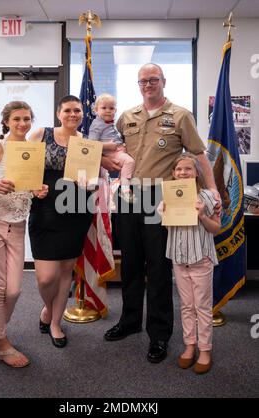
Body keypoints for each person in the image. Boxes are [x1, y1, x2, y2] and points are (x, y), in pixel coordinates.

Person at [102, 63, 219, 364]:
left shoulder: (180, 115)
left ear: (163, 82)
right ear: (138, 84)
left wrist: (214, 189)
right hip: (129, 197)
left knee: (157, 266)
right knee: (129, 261)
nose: (148, 84)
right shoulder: (128, 117)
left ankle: (159, 334)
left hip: (162, 197)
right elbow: (115, 152)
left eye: (153, 79)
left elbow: (199, 155)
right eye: (143, 81)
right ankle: (129, 322)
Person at [0, 101, 48, 368]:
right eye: (16, 119)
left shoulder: (34, 151)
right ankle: (1, 343)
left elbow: (30, 187)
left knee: (14, 290)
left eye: (27, 119)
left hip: (17, 225)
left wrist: (38, 191)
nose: (22, 124)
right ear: (6, 121)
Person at [28, 95, 93, 348]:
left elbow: (93, 175)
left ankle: (55, 322)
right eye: (68, 110)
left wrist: (92, 181)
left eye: (77, 110)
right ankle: (48, 308)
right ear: (59, 113)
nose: (73, 114)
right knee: (46, 277)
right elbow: (22, 163)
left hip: (76, 211)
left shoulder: (85, 143)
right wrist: (33, 187)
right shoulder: (40, 135)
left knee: (66, 269)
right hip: (44, 209)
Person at [158, 153, 220, 374]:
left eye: (188, 169)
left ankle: (205, 350)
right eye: (179, 170)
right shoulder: (167, 198)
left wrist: (202, 215)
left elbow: (216, 228)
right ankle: (189, 345)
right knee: (186, 305)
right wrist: (167, 213)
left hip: (200, 258)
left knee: (202, 306)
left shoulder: (208, 197)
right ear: (173, 174)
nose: (183, 173)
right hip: (179, 258)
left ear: (196, 173)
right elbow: (169, 228)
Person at [88, 93, 136, 202]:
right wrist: (108, 146)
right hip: (111, 153)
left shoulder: (110, 123)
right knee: (130, 162)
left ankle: (119, 183)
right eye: (104, 108)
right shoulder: (96, 124)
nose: (108, 110)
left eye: (111, 108)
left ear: (115, 110)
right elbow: (91, 144)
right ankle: (124, 190)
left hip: (118, 150)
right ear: (96, 110)